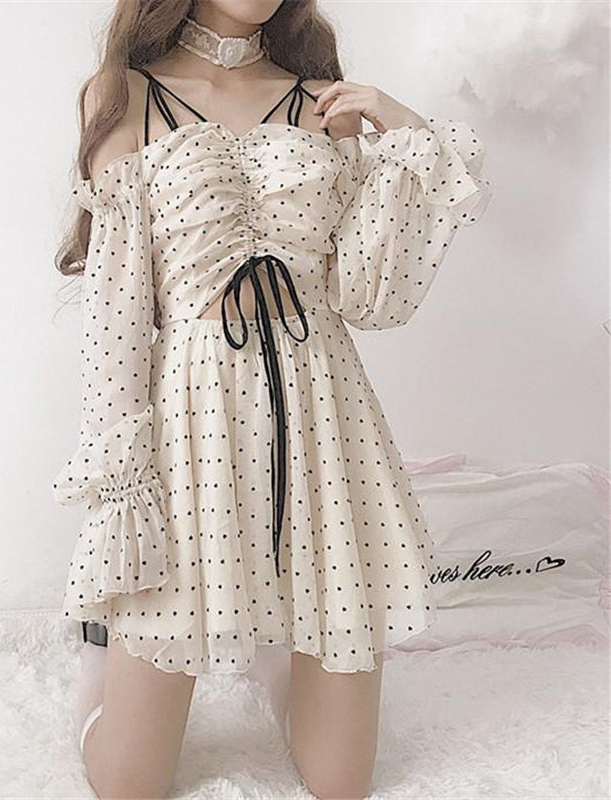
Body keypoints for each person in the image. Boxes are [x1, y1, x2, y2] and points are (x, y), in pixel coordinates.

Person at [52, 1, 492, 797]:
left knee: (341, 784)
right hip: (190, 429)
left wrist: (401, 129)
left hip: (324, 421)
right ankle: (100, 657)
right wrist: (123, 485)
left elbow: (367, 298)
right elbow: (117, 312)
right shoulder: (124, 93)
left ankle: (275, 653)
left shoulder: (319, 101)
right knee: (128, 785)